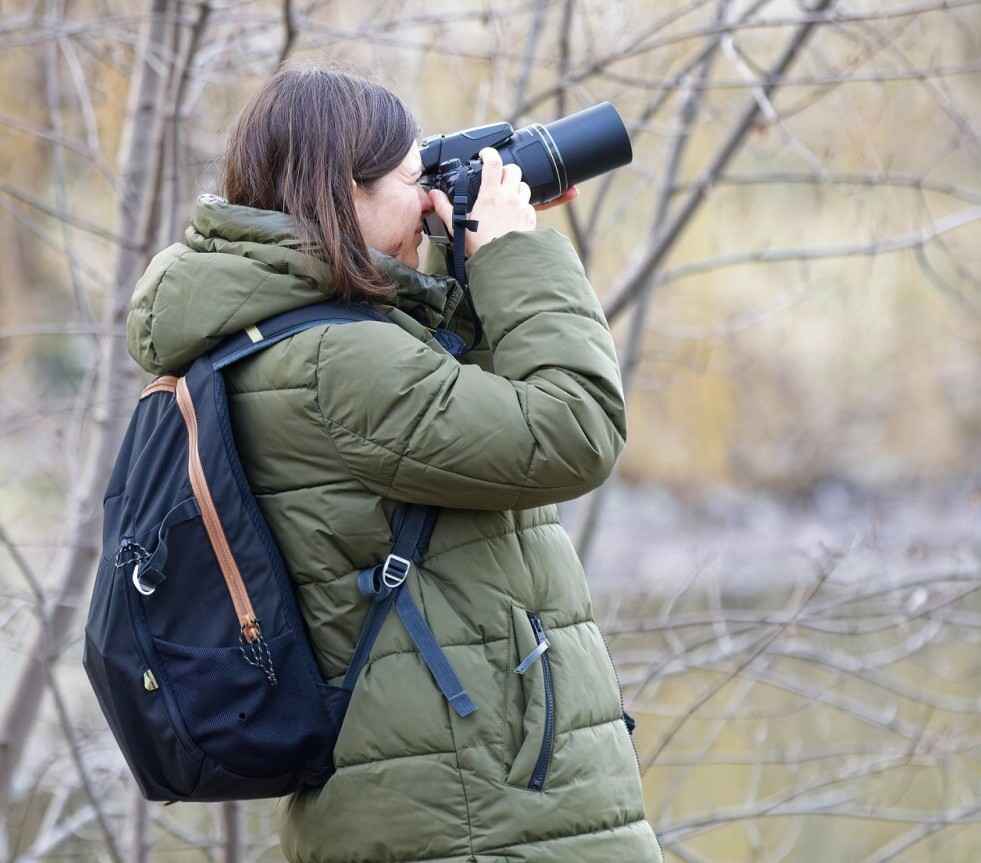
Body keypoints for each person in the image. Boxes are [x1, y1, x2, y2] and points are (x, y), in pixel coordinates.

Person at [127, 62, 662, 863]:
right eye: (414, 178)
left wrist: (461, 262)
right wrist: (519, 256)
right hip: (470, 819)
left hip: (461, 804)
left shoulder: (297, 339)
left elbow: (469, 417)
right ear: (339, 190)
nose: (426, 199)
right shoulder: (329, 362)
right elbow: (569, 431)